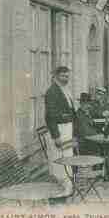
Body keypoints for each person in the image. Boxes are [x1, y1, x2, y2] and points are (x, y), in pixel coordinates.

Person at [44, 66, 76, 196]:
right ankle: (63, 187)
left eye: (67, 76)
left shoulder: (64, 90)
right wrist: (56, 136)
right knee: (59, 157)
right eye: (63, 76)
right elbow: (50, 116)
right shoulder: (52, 92)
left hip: (67, 129)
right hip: (59, 130)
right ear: (56, 76)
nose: (65, 79)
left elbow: (70, 110)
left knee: (67, 155)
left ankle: (68, 186)